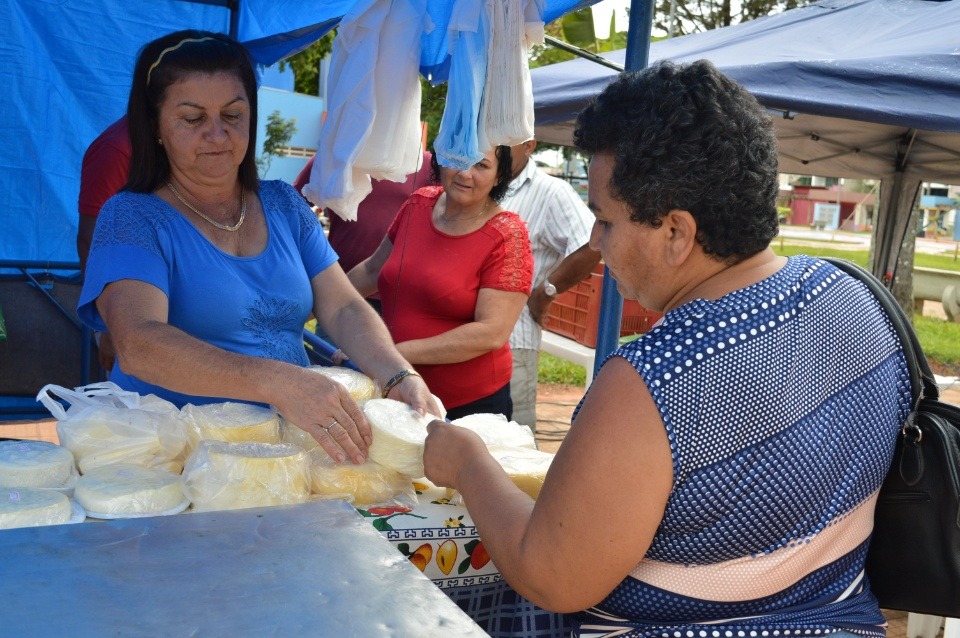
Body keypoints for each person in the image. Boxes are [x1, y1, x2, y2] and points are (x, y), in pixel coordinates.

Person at [422, 60, 911, 636]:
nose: (597, 245)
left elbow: (552, 576)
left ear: (676, 232)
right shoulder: (853, 294)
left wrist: (467, 462)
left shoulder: (655, 379)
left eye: (604, 220)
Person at [77, 30, 437, 467]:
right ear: (155, 126)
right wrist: (276, 382)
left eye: (233, 114)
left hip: (285, 455)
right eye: (193, 118)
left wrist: (397, 373)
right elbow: (139, 342)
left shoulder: (284, 203)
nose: (217, 134)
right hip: (175, 463)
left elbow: (342, 307)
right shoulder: (132, 217)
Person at [347, 148, 534, 421]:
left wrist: (391, 355)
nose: (465, 173)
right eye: (458, 160)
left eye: (481, 165)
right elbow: (373, 269)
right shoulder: (417, 204)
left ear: (499, 176)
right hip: (399, 387)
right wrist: (316, 304)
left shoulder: (508, 236)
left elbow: (491, 332)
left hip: (468, 405)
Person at [501, 139, 600, 430]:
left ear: (529, 145)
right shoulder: (483, 183)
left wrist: (545, 292)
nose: (495, 145)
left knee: (511, 447)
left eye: (505, 141)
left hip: (513, 344)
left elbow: (592, 245)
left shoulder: (551, 191)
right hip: (465, 344)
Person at [293, 150, 437, 316]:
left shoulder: (426, 165)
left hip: (401, 297)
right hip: (339, 286)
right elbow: (288, 207)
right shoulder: (335, 155)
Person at [77, 115, 131, 372]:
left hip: (174, 314)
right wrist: (108, 326)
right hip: (128, 314)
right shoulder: (117, 148)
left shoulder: (172, 143)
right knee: (135, 409)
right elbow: (90, 240)